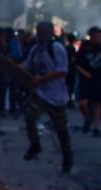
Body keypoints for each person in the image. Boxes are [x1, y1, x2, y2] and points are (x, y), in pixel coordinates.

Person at [22, 21, 74, 173]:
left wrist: (42, 79)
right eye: (39, 31)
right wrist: (9, 67)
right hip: (40, 94)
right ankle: (35, 145)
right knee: (29, 115)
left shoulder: (57, 48)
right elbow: (26, 66)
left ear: (51, 32)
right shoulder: (35, 50)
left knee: (61, 130)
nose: (41, 34)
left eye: (44, 31)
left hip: (57, 96)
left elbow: (62, 70)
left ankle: (67, 156)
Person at [76, 27, 101, 138]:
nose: (98, 38)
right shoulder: (84, 48)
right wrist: (85, 73)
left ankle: (96, 127)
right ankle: (87, 118)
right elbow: (76, 63)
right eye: (96, 36)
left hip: (99, 79)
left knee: (97, 104)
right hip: (85, 80)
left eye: (100, 36)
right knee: (83, 103)